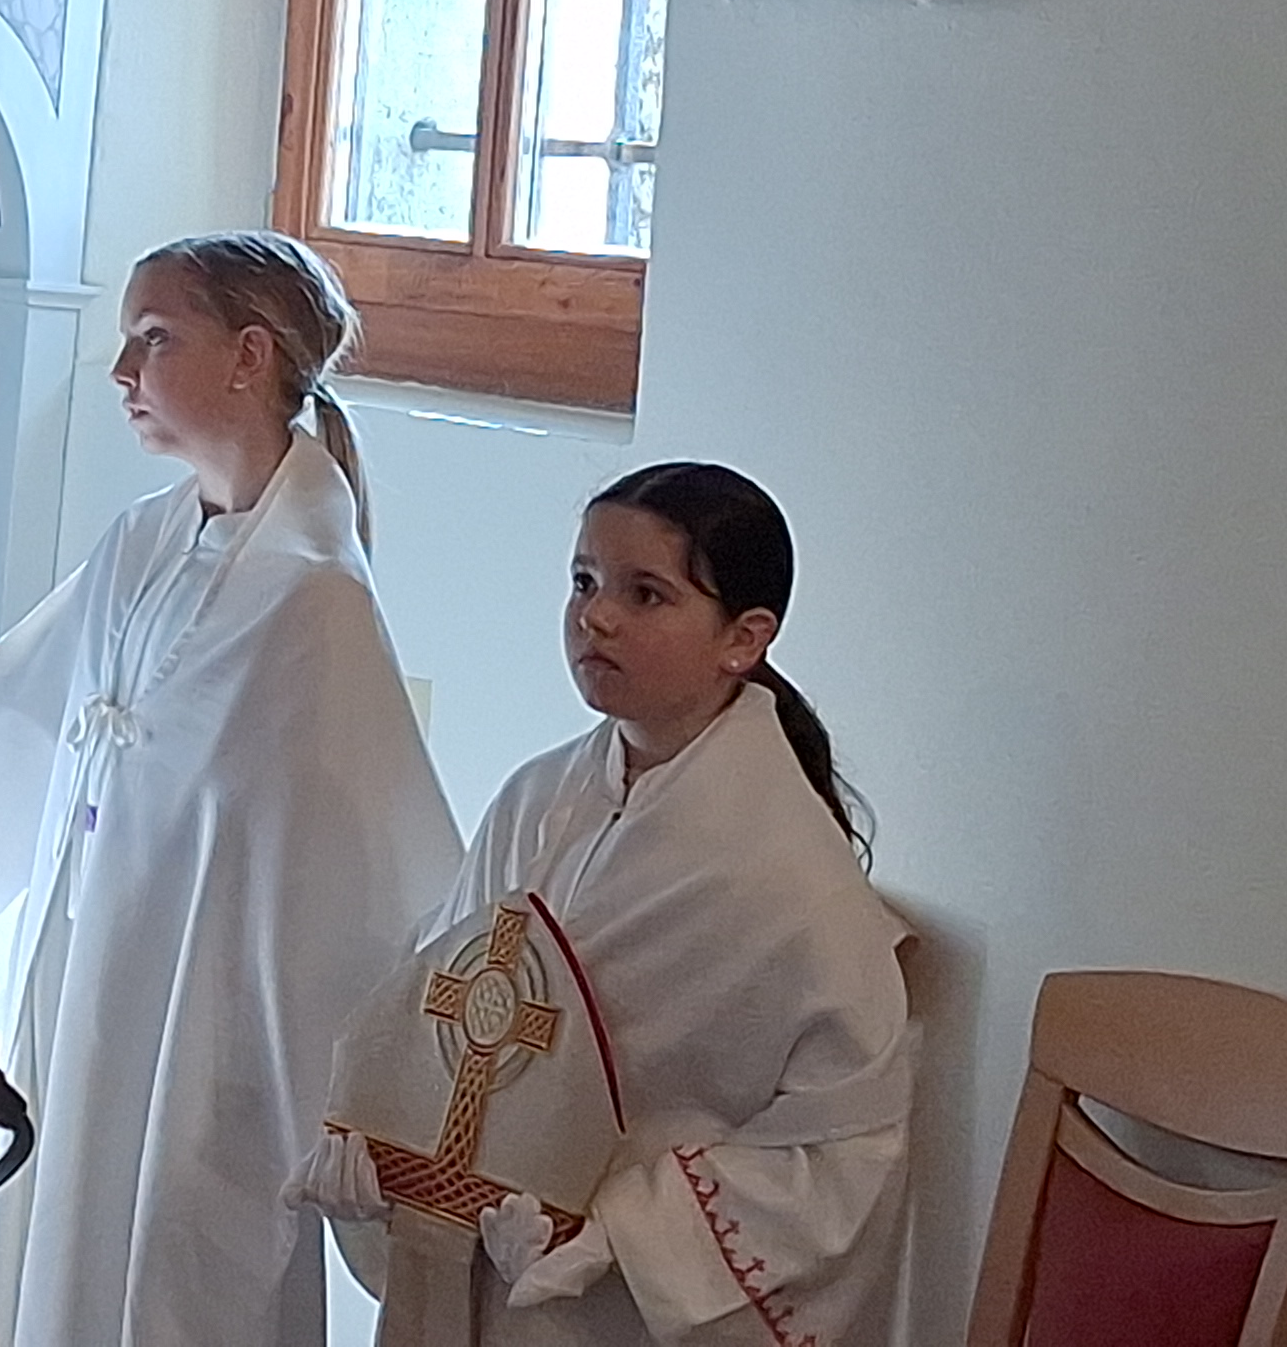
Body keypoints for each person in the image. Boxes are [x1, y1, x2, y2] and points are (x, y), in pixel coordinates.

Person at [0, 233, 460, 1347]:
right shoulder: (144, 542)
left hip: (204, 1048)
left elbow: (365, 879)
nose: (122, 372)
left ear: (250, 356)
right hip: (78, 994)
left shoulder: (316, 602)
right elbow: (12, 715)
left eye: (154, 339)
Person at [299, 464, 908, 1345]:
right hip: (482, 1268)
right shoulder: (535, 796)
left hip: (629, 1305)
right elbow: (446, 1003)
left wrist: (621, 1235)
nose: (596, 617)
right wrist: (381, 1148)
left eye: (645, 594)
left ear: (744, 638)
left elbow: (840, 1150)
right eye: (584, 581)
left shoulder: (792, 877)